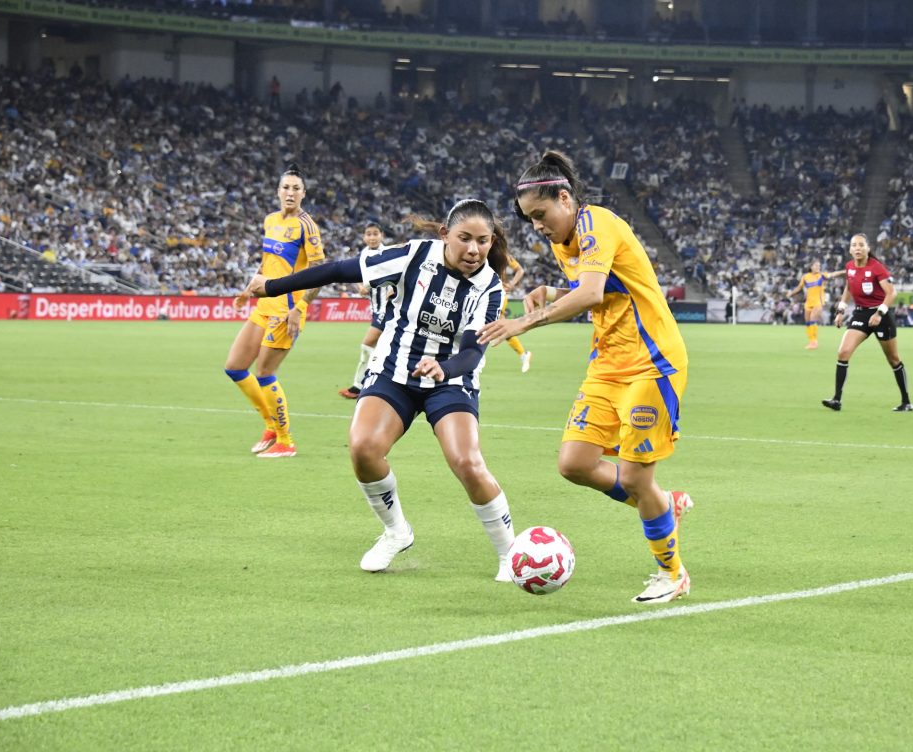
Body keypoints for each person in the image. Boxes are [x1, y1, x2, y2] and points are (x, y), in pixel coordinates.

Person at [237, 199, 517, 582]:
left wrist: (443, 367)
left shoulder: (490, 288)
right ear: (444, 235)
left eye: (483, 241)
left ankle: (509, 555)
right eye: (465, 238)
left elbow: (471, 353)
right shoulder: (414, 256)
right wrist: (270, 287)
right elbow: (338, 269)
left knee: (467, 461)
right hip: (393, 371)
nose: (473, 249)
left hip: (451, 380)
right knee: (363, 448)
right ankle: (396, 531)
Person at [478, 150, 693, 605]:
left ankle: (672, 572)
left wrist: (523, 323)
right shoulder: (563, 241)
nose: (537, 226)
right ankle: (661, 504)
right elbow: (599, 293)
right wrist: (554, 291)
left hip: (651, 362)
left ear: (565, 197)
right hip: (607, 363)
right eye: (529, 220)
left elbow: (592, 290)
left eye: (541, 214)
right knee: (574, 463)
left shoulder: (598, 224)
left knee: (635, 477)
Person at [223, 164, 324, 458]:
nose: (290, 193)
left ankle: (286, 441)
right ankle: (270, 426)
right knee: (234, 366)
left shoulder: (307, 225)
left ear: (303, 194)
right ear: (278, 191)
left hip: (288, 308)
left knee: (265, 372)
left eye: (296, 188)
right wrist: (247, 290)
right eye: (286, 187)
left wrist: (301, 307)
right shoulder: (270, 220)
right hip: (264, 304)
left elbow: (320, 272)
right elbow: (267, 263)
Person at [822, 233, 913, 413]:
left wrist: (879, 313)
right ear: (850, 249)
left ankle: (906, 402)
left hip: (882, 315)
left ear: (868, 248)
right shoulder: (849, 267)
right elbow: (848, 289)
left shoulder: (877, 267)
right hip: (861, 314)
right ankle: (836, 400)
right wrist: (840, 311)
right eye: (854, 245)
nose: (857, 248)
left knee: (893, 359)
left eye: (861, 245)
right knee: (843, 352)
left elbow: (891, 294)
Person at [338, 222, 396, 399]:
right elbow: (359, 277)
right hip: (376, 309)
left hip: (389, 309)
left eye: (375, 234)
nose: (372, 237)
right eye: (368, 234)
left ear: (382, 236)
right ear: (364, 237)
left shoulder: (388, 254)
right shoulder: (363, 255)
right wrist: (360, 287)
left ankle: (366, 383)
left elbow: (398, 275)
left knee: (367, 344)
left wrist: (393, 289)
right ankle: (365, 384)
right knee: (380, 347)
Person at [786, 261, 844, 349]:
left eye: (819, 266)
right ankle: (811, 341)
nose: (818, 267)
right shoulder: (805, 277)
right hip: (808, 302)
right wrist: (791, 294)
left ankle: (814, 342)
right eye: (816, 265)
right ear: (811, 266)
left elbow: (833, 274)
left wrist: (843, 271)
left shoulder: (822, 275)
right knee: (808, 322)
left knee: (813, 320)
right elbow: (799, 287)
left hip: (818, 302)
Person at [500, 253, 533, 373]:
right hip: (482, 293)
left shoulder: (503, 255)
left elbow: (520, 270)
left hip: (498, 293)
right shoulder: (481, 249)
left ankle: (523, 354)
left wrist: (511, 284)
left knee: (500, 325)